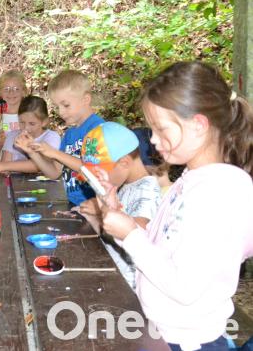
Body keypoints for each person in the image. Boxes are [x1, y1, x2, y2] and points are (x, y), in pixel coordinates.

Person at [101, 61, 253, 351]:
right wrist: (122, 217)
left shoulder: (221, 190)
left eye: (160, 129)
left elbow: (185, 287)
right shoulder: (192, 178)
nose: (153, 140)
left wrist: (130, 235)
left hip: (188, 342)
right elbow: (165, 248)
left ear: (198, 125)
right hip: (165, 331)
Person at [75, 122, 160, 289]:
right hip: (112, 270)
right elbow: (111, 231)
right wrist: (95, 217)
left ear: (124, 163)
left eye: (99, 173)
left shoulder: (147, 190)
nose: (97, 180)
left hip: (129, 288)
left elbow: (141, 230)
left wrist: (102, 212)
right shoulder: (124, 184)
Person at [23, 70, 105, 205]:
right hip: (73, 204)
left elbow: (91, 169)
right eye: (57, 107)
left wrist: (54, 153)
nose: (61, 112)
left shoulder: (98, 129)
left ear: (86, 100)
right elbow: (55, 173)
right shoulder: (69, 134)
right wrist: (32, 152)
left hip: (95, 207)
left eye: (66, 105)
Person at [0, 95, 60, 175]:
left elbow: (42, 165)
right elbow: (4, 170)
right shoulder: (12, 136)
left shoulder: (51, 137)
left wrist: (3, 166)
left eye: (32, 123)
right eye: (22, 122)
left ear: (44, 122)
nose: (26, 128)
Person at [0, 70, 28, 156]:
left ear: (24, 91)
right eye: (6, 89)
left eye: (16, 89)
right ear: (0, 92)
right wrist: (0, 144)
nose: (11, 92)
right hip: (2, 167)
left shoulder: (31, 118)